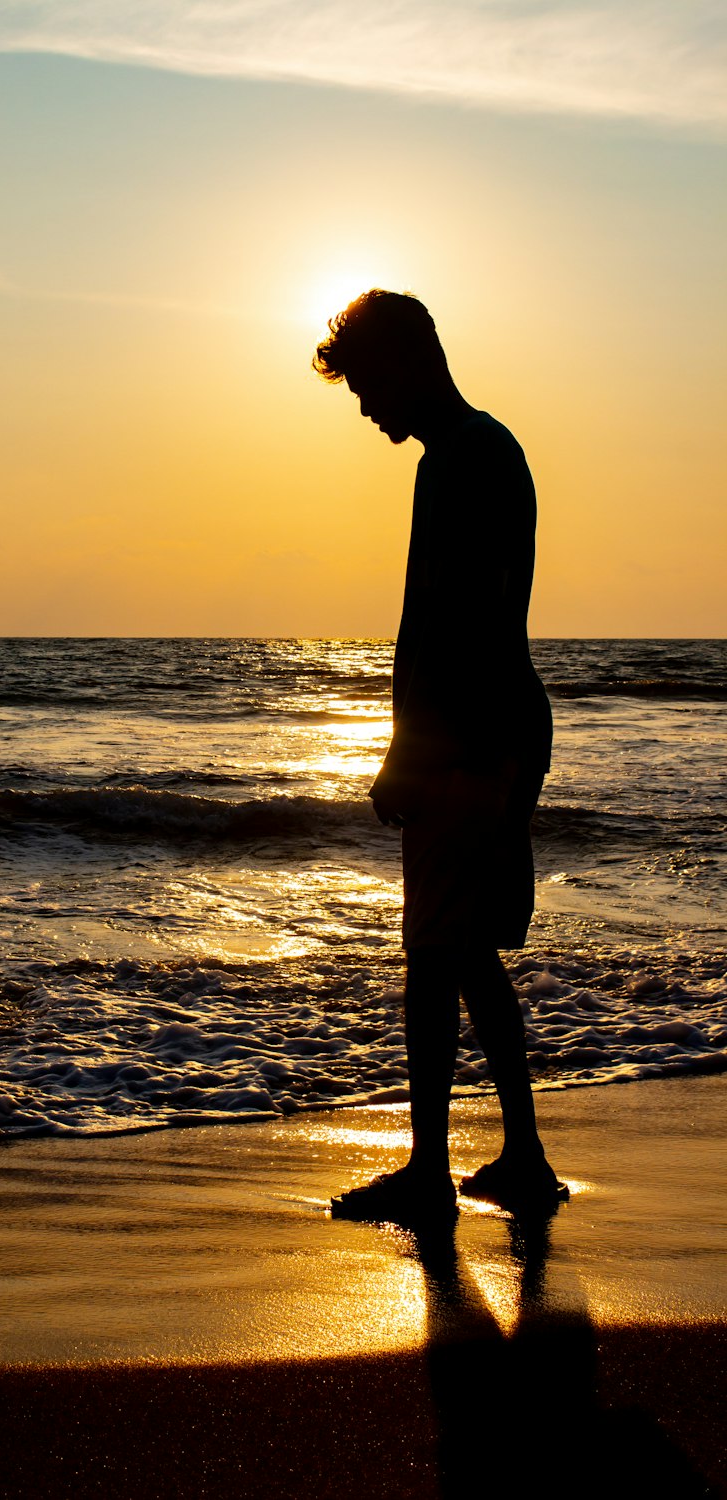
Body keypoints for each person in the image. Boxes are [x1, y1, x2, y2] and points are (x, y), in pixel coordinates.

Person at [314, 290, 566, 1224]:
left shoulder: (469, 460)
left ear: (413, 363)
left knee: (432, 953)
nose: (368, 406)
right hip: (492, 730)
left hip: (470, 736)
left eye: (371, 384)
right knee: (462, 953)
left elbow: (461, 624)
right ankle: (525, 1154)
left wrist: (406, 750)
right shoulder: (472, 455)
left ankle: (429, 1174)